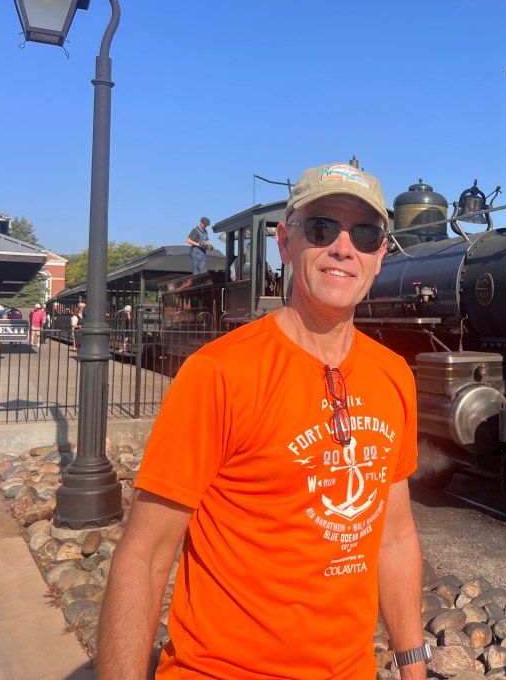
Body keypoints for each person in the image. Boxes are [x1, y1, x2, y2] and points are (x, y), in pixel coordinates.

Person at [97, 163, 426, 680]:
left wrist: (412, 664)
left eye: (365, 234)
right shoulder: (217, 373)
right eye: (322, 228)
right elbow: (144, 554)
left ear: (381, 254)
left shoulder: (394, 376)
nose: (344, 248)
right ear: (285, 243)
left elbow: (395, 537)